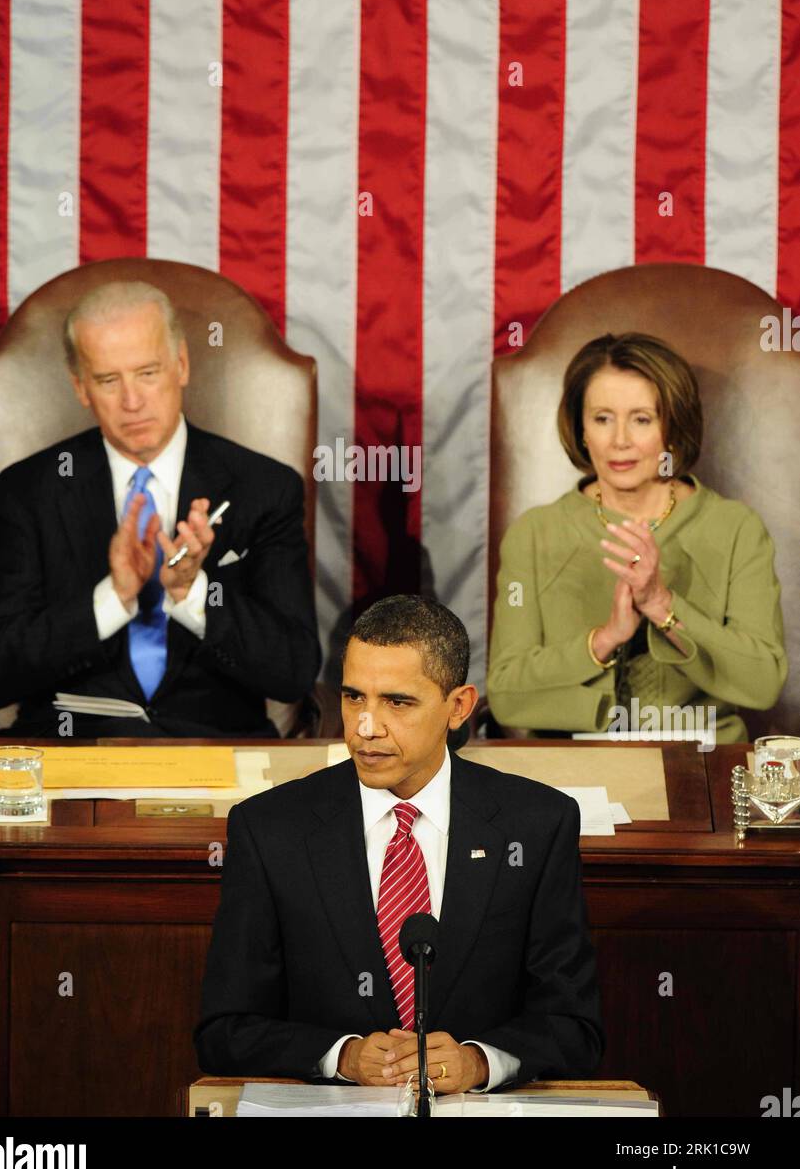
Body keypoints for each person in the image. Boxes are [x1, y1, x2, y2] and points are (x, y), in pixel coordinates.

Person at [195, 595, 604, 1091]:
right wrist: (341, 1056)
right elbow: (224, 1032)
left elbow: (575, 1029)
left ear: (458, 707)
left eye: (397, 702)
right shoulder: (269, 829)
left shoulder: (537, 824)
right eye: (353, 698)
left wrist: (478, 1064)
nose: (367, 727)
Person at [0, 280, 321, 738]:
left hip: (217, 751)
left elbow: (292, 671)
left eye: (148, 373)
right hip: (70, 751)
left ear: (181, 365)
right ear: (80, 388)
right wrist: (112, 599)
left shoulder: (264, 488)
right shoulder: (31, 490)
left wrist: (194, 593)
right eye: (108, 380)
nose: (132, 402)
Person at [487, 332, 787, 743]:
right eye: (602, 418)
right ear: (581, 428)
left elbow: (762, 681)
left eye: (642, 419)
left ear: (672, 426)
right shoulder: (534, 534)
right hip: (571, 762)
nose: (620, 440)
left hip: (702, 763)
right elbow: (506, 694)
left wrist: (662, 606)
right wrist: (604, 640)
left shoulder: (737, 529)